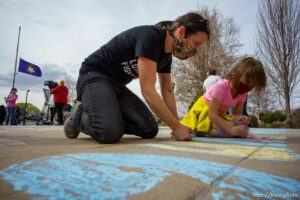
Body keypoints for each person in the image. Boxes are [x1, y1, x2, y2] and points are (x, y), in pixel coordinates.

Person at [64, 12, 210, 143]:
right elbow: (148, 90)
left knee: (149, 129)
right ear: (181, 32)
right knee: (108, 133)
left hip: (116, 85)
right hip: (94, 75)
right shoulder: (151, 36)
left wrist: (177, 125)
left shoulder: (166, 58)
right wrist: (176, 126)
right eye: (196, 43)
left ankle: (106, 115)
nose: (195, 50)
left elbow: (167, 91)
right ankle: (77, 116)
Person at [181, 57, 266, 138]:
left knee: (238, 129)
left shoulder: (243, 93)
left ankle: (208, 130)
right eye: (247, 81)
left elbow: (237, 115)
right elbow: (212, 114)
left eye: (253, 85)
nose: (249, 86)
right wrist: (231, 129)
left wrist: (241, 121)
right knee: (228, 129)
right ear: (236, 74)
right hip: (203, 111)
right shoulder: (221, 87)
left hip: (217, 115)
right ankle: (202, 130)